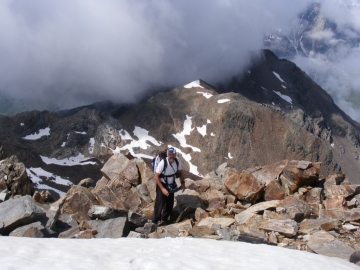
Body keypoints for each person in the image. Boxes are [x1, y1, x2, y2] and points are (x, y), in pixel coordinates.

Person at [152, 147, 185, 225]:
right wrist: (162, 189)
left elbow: (180, 172)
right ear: (167, 155)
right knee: (160, 203)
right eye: (170, 154)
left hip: (171, 184)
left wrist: (183, 184)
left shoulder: (177, 161)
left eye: (173, 154)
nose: (171, 156)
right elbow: (156, 176)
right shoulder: (163, 163)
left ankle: (164, 219)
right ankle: (154, 221)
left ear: (175, 154)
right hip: (162, 184)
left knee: (170, 204)